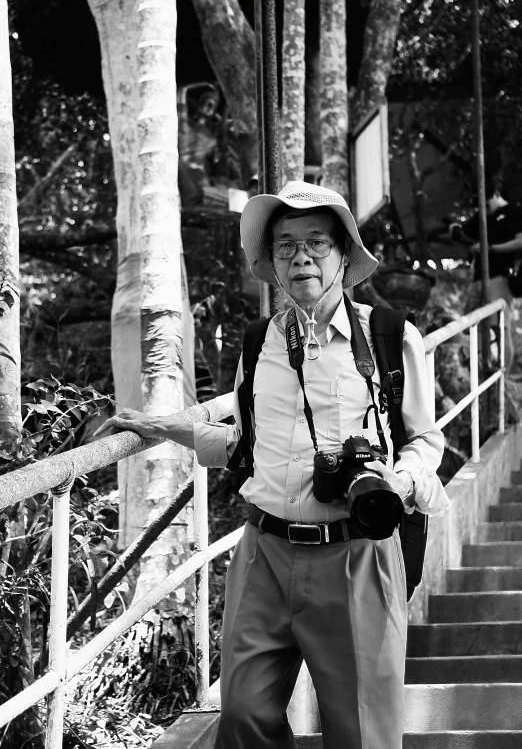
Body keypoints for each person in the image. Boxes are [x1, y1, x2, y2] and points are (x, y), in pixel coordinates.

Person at [95, 181, 450, 749]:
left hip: (356, 551)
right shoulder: (259, 342)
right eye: (285, 246)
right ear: (273, 261)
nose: (301, 256)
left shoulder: (388, 337)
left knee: (363, 731)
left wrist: (396, 479)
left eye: (316, 243)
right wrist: (160, 426)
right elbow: (242, 444)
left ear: (342, 255)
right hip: (264, 552)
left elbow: (426, 440)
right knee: (241, 716)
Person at [449, 187, 522, 371]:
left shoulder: (515, 212)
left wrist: (491, 248)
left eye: (486, 202)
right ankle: (474, 365)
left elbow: (520, 241)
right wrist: (456, 232)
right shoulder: (483, 216)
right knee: (468, 325)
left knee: (499, 326)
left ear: (496, 193)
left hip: (499, 277)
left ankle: (502, 369)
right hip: (477, 278)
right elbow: (464, 236)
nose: (485, 207)